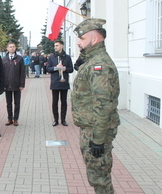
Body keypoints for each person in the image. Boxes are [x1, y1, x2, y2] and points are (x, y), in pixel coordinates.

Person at [71, 18, 120, 194]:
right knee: (97, 175)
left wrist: (98, 139)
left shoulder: (99, 65)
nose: (78, 42)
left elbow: (103, 104)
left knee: (99, 177)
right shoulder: (92, 61)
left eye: (82, 39)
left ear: (94, 40)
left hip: (96, 130)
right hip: (91, 127)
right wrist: (83, 58)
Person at [46, 40, 73, 127]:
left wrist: (64, 68)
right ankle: (56, 120)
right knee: (55, 102)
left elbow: (71, 69)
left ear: (62, 46)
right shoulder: (51, 57)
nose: (55, 47)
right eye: (55, 46)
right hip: (55, 82)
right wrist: (56, 68)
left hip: (64, 82)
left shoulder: (67, 57)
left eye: (57, 45)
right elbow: (48, 69)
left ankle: (63, 120)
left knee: (64, 102)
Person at [3, 42, 25, 126]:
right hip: (7, 84)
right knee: (8, 103)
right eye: (10, 47)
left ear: (15, 48)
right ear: (7, 48)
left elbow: (22, 72)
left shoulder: (19, 59)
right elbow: (1, 73)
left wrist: (22, 84)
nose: (12, 48)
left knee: (17, 103)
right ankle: (10, 118)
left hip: (16, 84)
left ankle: (16, 119)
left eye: (13, 47)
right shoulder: (4, 59)